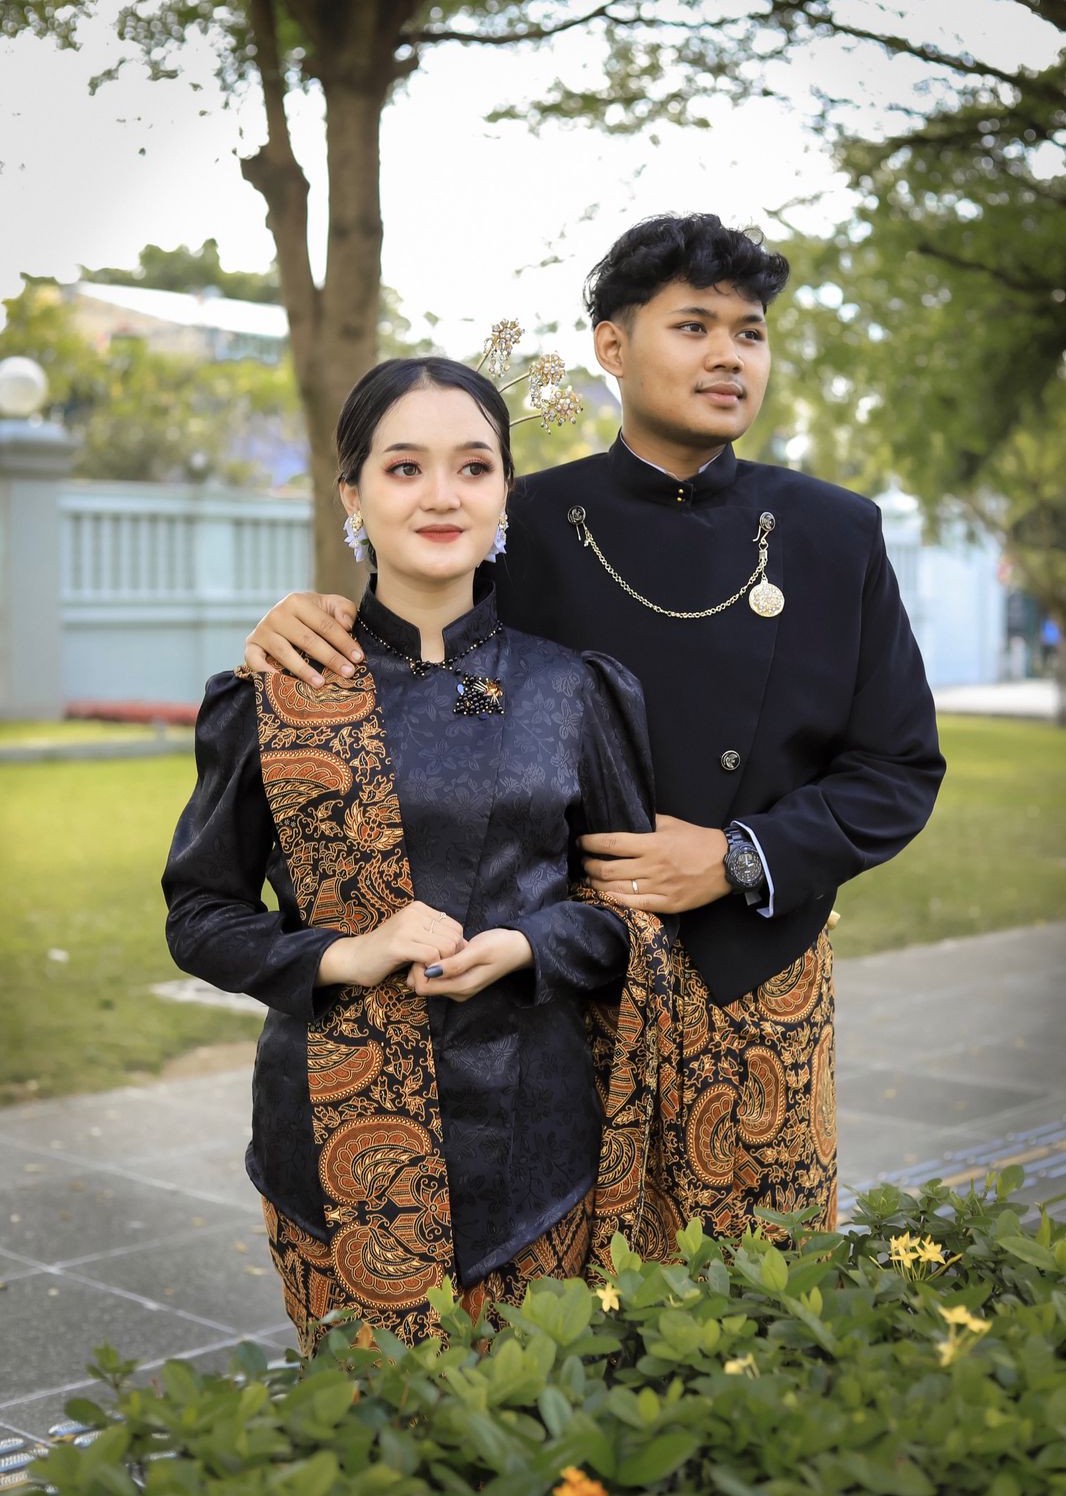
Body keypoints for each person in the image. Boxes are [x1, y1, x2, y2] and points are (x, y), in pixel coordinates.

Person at [244, 213, 946, 1238]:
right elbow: (405, 662)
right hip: (552, 990)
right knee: (570, 1298)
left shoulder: (836, 532)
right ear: (611, 346)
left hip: (759, 981)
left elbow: (898, 767)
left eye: (749, 333)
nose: (728, 356)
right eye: (693, 326)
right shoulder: (514, 520)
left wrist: (736, 857)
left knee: (768, 1284)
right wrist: (297, 618)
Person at [163, 356, 668, 1353]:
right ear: (352, 495)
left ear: (504, 492)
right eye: (404, 468)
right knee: (366, 1421)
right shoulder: (276, 693)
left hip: (537, 1141)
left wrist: (529, 945)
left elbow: (633, 911)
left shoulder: (570, 690)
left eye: (473, 467)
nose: (442, 495)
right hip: (333, 1146)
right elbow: (199, 915)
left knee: (534, 1414)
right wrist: (343, 955)